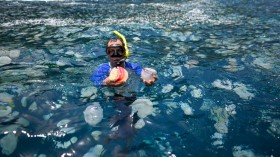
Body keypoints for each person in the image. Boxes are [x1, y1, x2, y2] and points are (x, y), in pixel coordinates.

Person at [90, 37, 157, 87]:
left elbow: (142, 75)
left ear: (124, 52)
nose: (115, 54)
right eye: (111, 51)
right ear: (107, 53)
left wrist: (147, 79)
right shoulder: (101, 69)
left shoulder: (133, 67)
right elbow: (95, 82)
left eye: (119, 50)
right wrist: (105, 83)